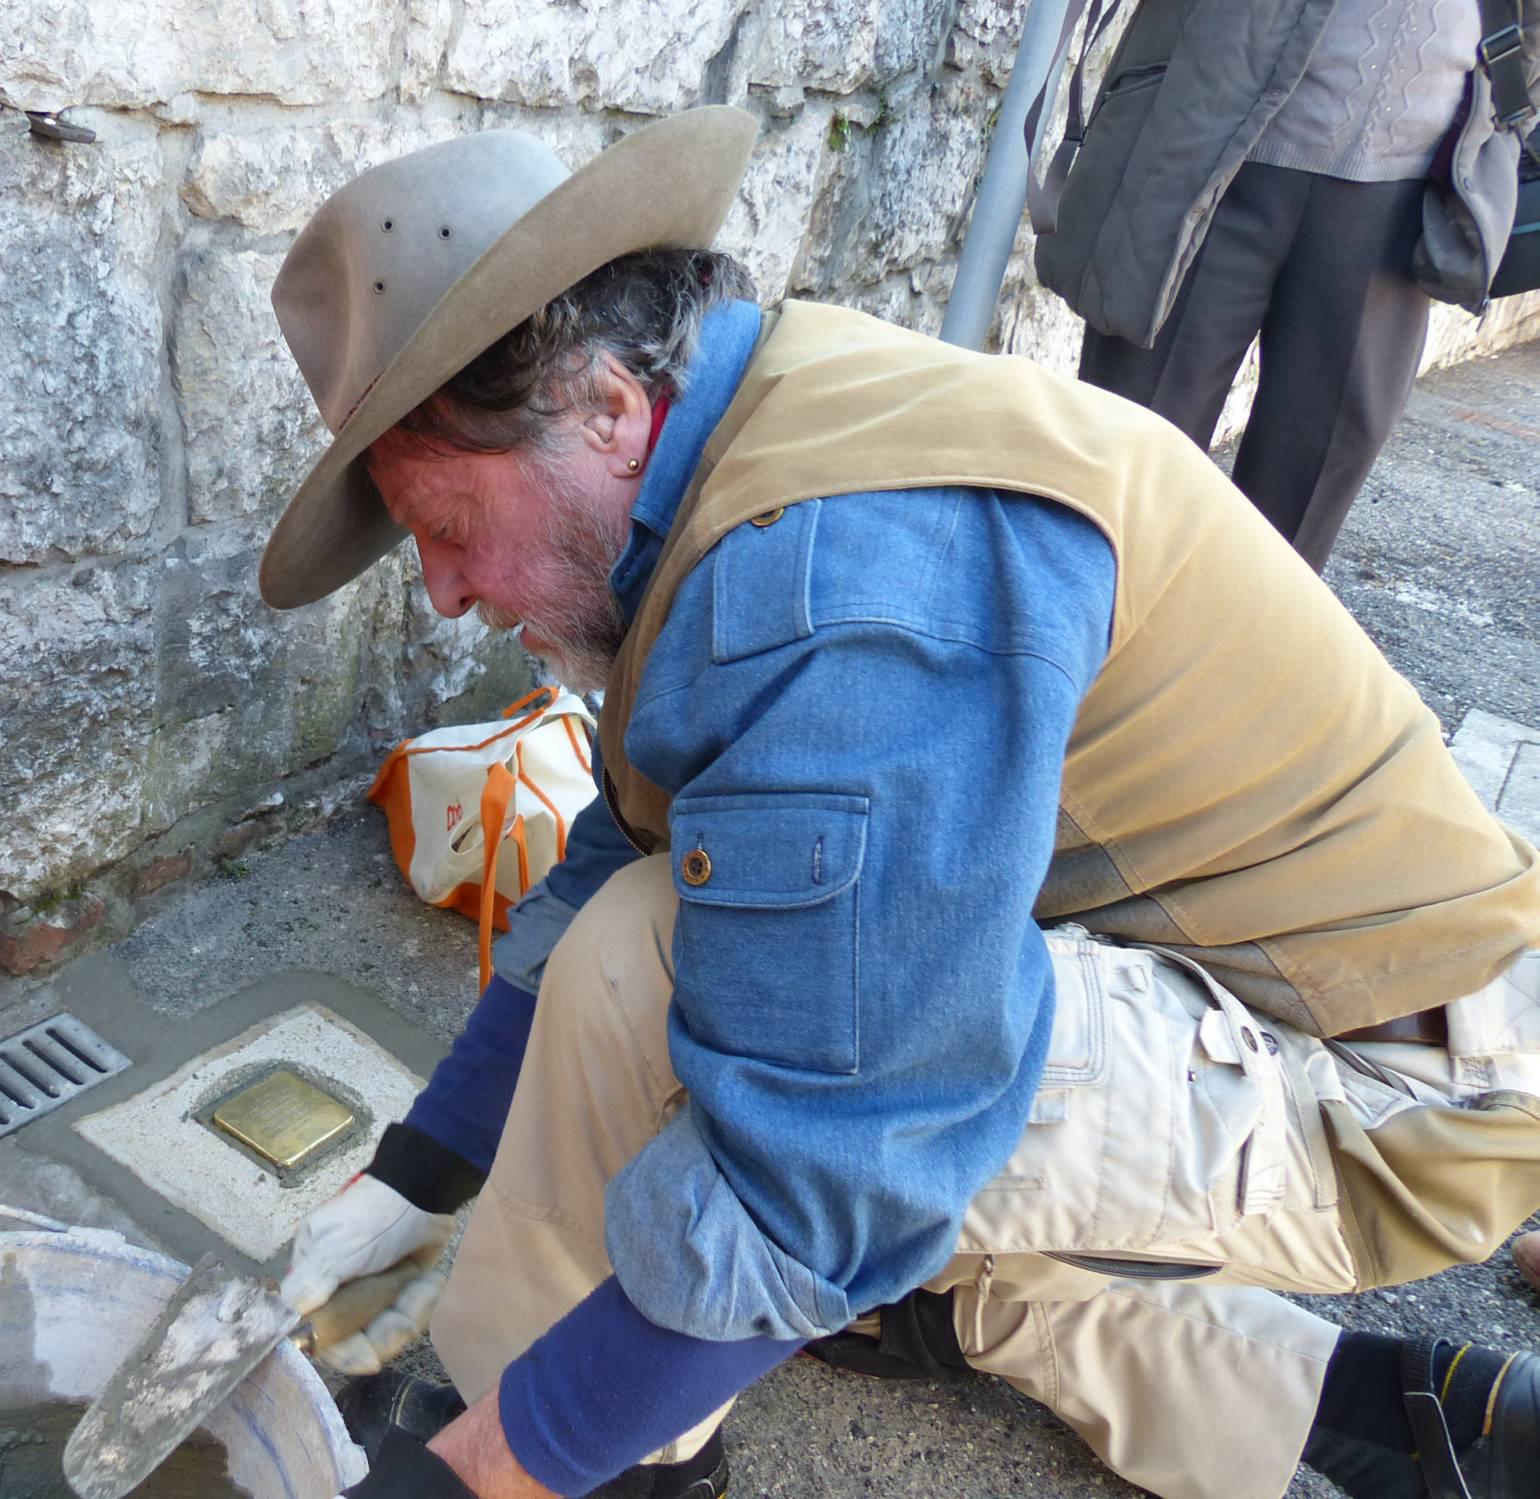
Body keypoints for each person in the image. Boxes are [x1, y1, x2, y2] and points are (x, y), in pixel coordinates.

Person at [258, 108, 1540, 1499]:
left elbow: (829, 1165)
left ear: (606, 411)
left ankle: (611, 1467)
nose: (445, 590)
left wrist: (484, 1465)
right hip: (1306, 996)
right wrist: (420, 1168)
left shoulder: (826, 592)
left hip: (1394, 1084)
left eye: (448, 530)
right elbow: (626, 841)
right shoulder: (758, 421)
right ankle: (1391, 1414)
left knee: (700, 1047)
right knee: (810, 1184)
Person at [1035, 0, 1540, 572]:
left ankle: (1226, 659)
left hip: (1400, 200)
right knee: (1125, 477)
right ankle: (1069, 649)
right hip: (1205, 155)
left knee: (1292, 536)